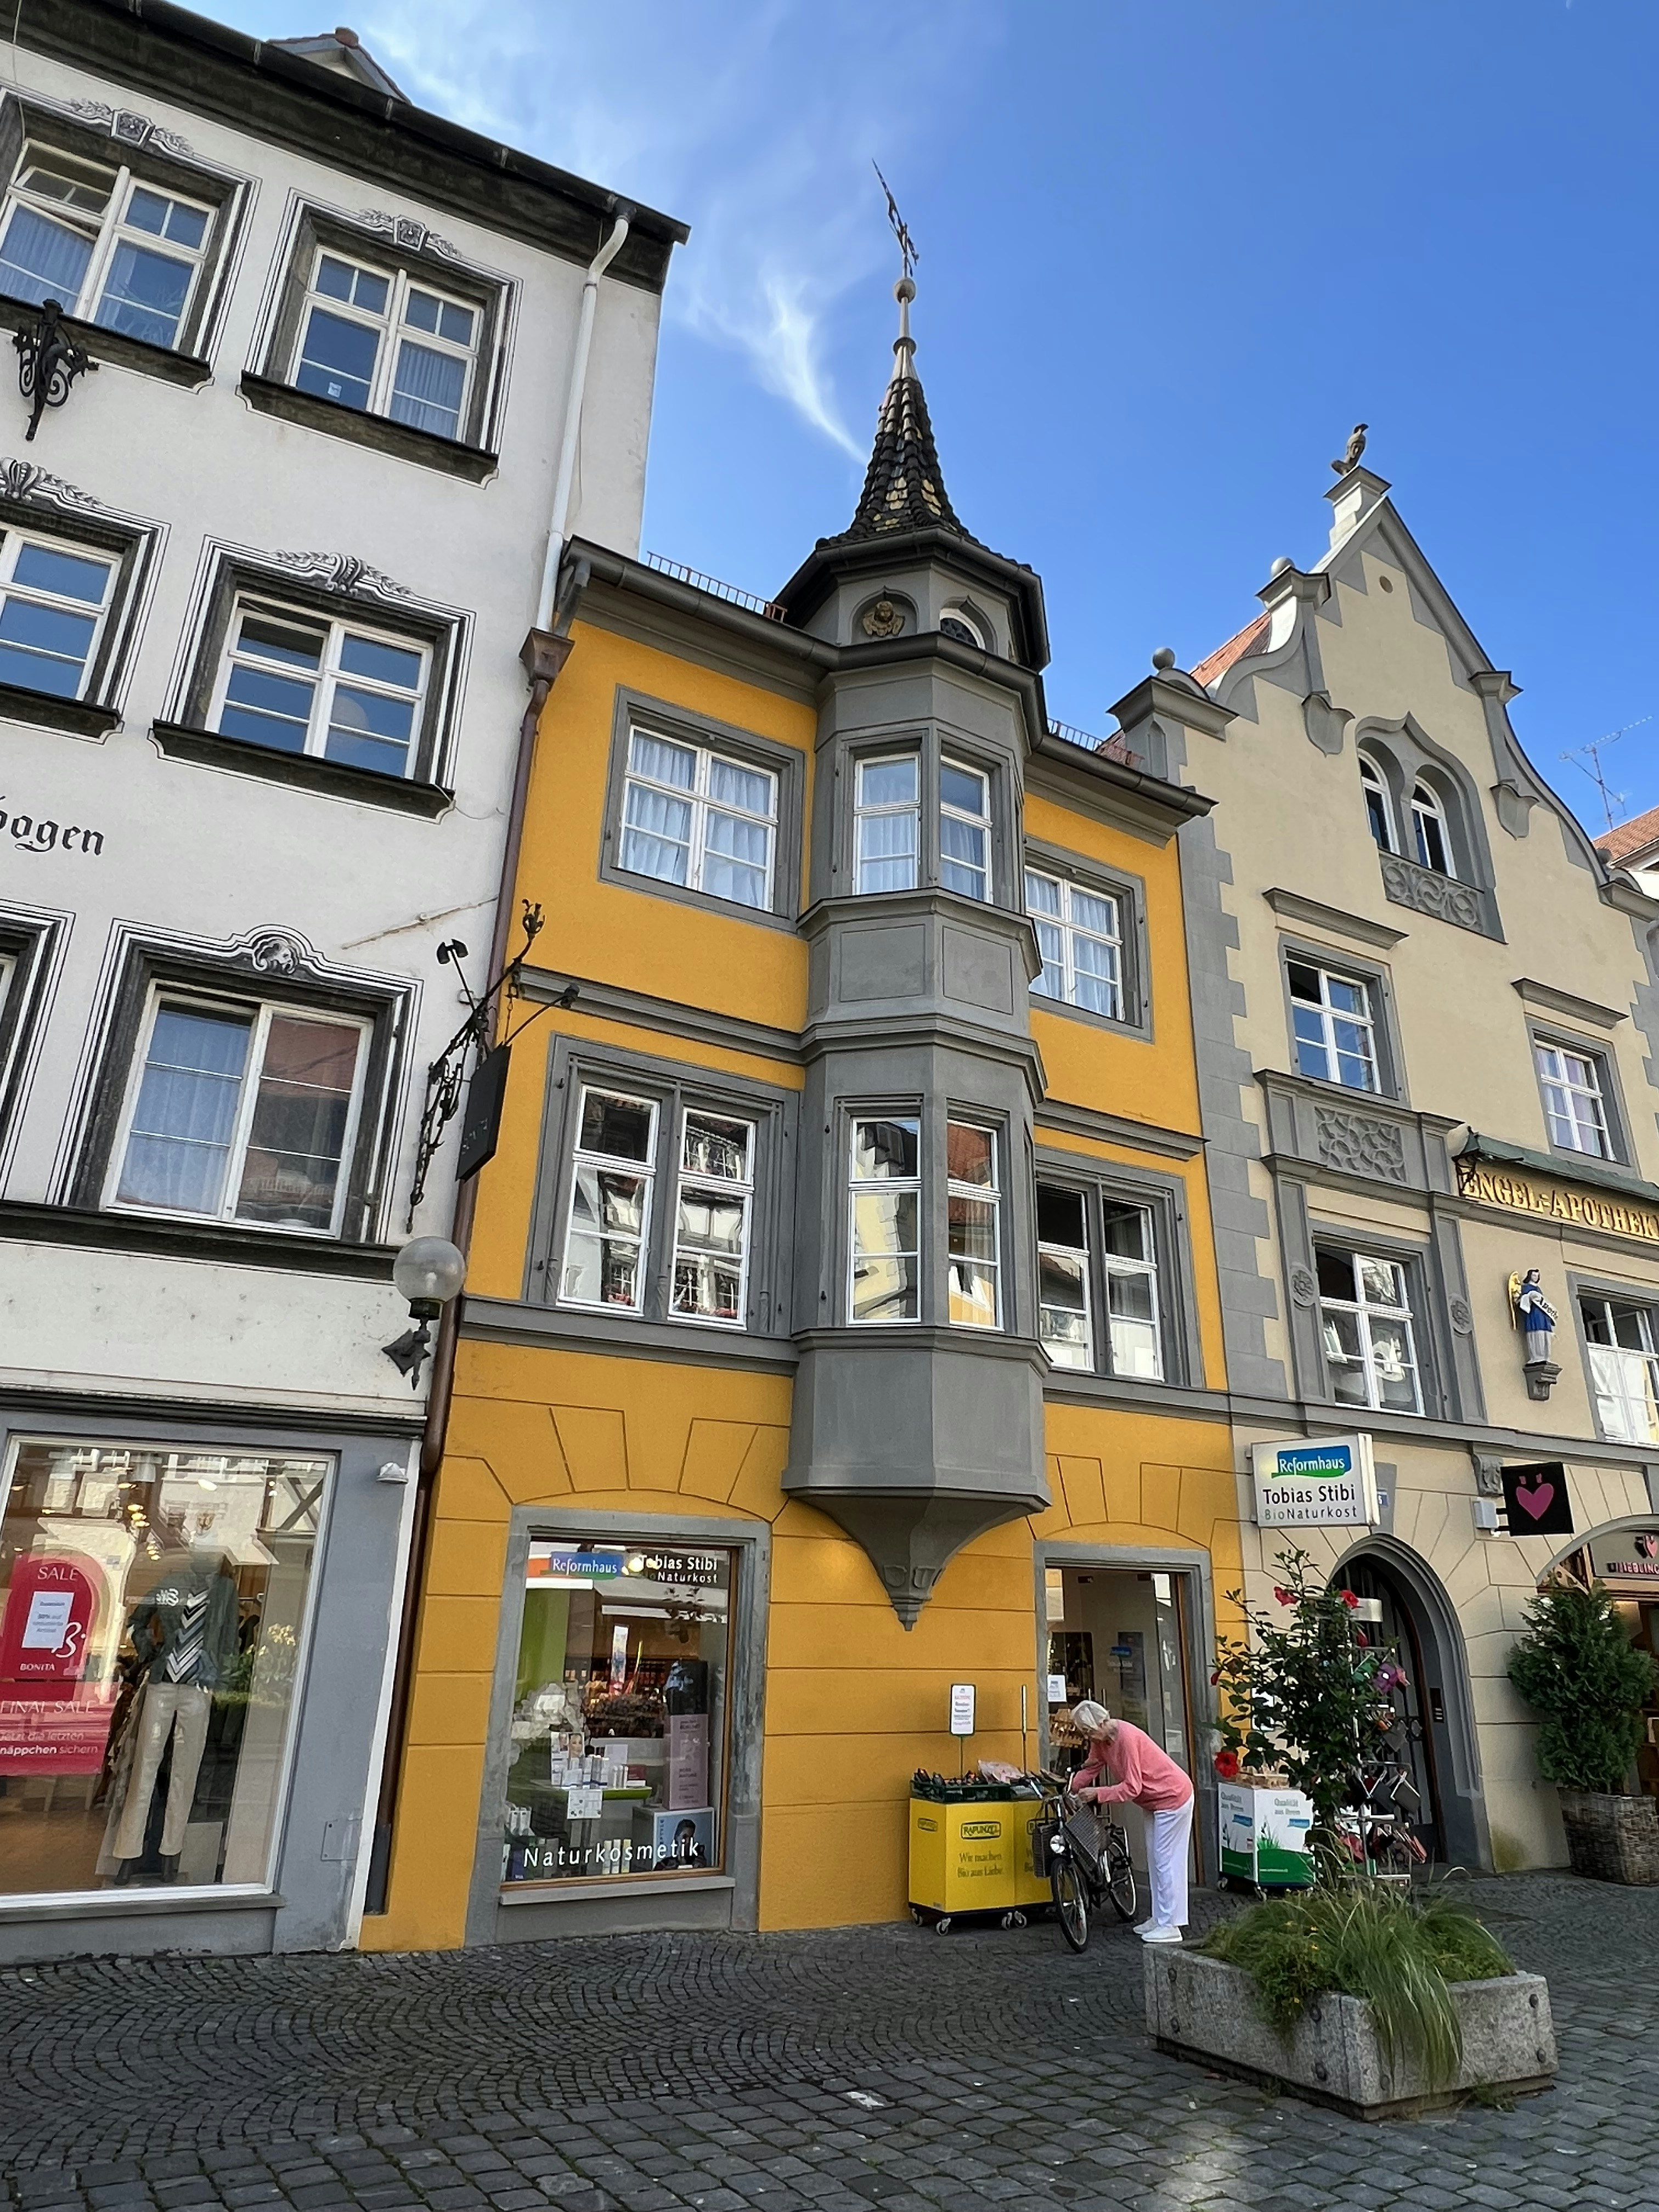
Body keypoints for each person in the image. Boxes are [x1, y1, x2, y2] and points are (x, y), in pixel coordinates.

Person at [1068, 1699, 1194, 1944]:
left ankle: (1171, 1925)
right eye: (1085, 1734)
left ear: (1102, 1721)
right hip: (1155, 1802)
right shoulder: (1101, 1740)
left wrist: (1098, 1794)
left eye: (1090, 1731)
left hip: (1173, 1797)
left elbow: (1133, 1788)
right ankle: (1161, 1918)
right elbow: (1092, 1769)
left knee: (1166, 1861)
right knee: (1157, 1860)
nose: (1089, 1738)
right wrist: (1070, 1788)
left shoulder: (1125, 1737)